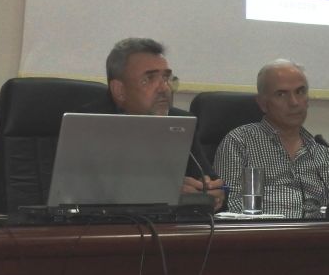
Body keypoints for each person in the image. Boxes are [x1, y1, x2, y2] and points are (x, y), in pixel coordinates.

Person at [85, 38, 226, 211]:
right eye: (149, 79)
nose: (164, 88)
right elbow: (87, 193)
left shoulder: (180, 122)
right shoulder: (89, 125)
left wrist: (212, 192)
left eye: (166, 78)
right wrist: (165, 192)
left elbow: (209, 181)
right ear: (119, 90)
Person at [214, 59, 329, 217]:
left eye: (300, 92)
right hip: (259, 230)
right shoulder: (239, 142)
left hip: (314, 231)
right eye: (281, 94)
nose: (294, 102)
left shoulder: (325, 154)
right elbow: (227, 205)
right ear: (262, 103)